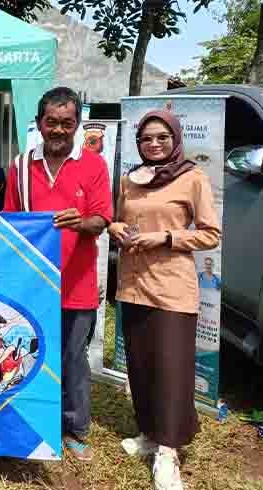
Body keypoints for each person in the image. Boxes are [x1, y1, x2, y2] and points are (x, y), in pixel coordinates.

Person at [108, 110, 220, 490]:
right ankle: (149, 434)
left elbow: (210, 234)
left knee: (171, 370)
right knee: (141, 366)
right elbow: (118, 220)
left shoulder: (192, 177)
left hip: (172, 288)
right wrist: (115, 227)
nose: (154, 144)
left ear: (175, 139)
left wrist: (167, 238)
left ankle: (168, 452)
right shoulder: (130, 179)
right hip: (133, 284)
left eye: (161, 137)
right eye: (146, 138)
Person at [4, 87, 113, 461]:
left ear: (77, 125)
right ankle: (34, 421)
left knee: (72, 358)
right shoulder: (20, 167)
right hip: (34, 285)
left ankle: (75, 429)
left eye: (67, 123)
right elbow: (12, 223)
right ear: (39, 123)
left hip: (77, 284)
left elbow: (102, 219)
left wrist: (82, 222)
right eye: (51, 122)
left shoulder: (94, 165)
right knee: (29, 354)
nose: (59, 130)